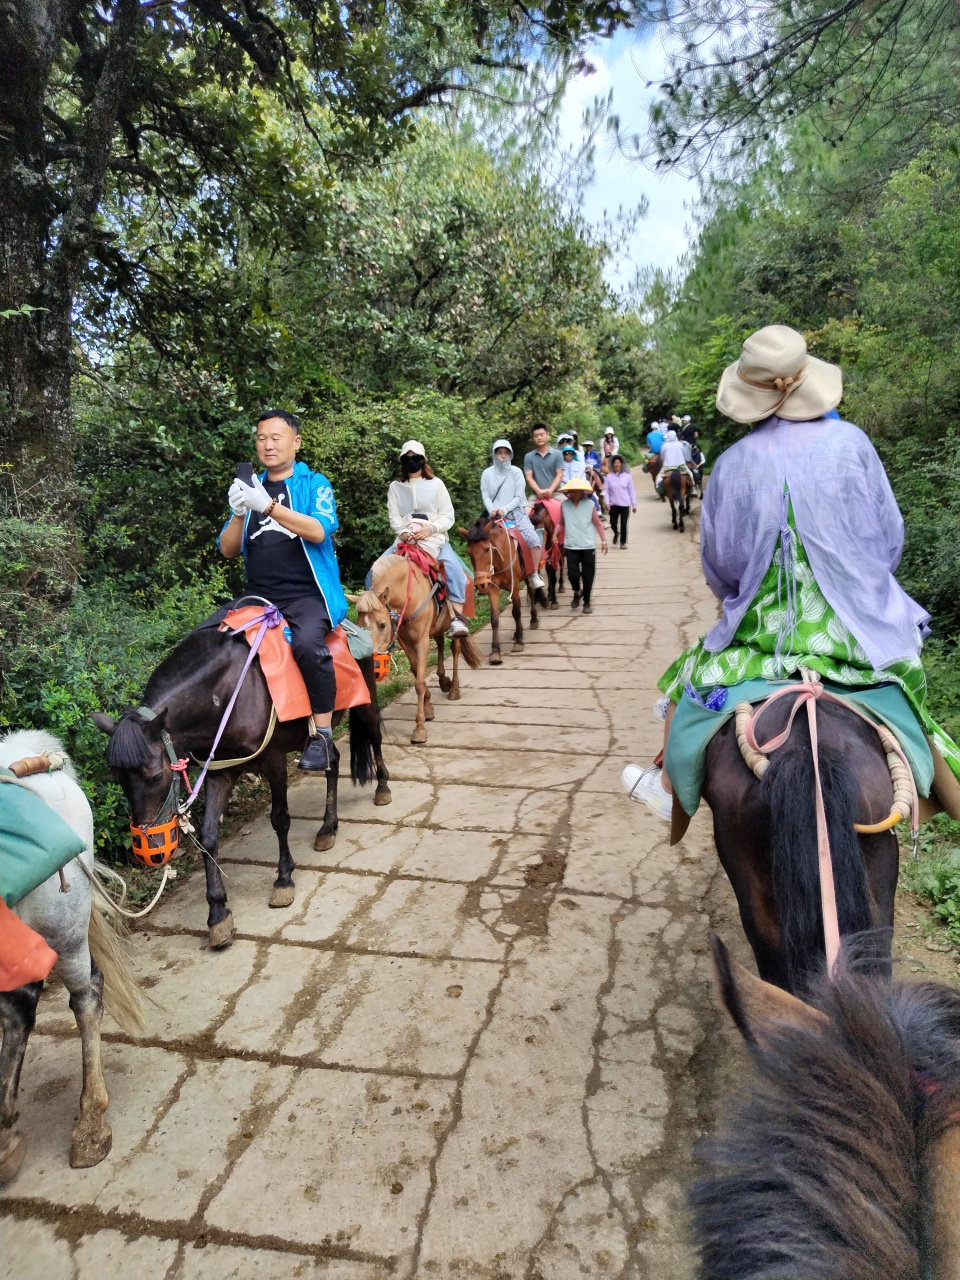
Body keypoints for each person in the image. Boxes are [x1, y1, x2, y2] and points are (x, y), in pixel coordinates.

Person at [622, 323, 960, 820]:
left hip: (764, 640)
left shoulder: (732, 465)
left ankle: (668, 787)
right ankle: (944, 789)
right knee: (909, 694)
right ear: (806, 382)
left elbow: (721, 570)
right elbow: (889, 541)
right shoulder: (852, 443)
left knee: (685, 685)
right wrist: (860, 584)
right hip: (858, 636)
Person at [220, 409, 349, 771]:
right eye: (261, 437)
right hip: (258, 595)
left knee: (309, 645)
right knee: (213, 639)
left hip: (308, 595)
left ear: (296, 442)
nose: (268, 444)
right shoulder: (250, 489)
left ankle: (322, 734)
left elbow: (320, 530)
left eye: (276, 437)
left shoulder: (315, 484)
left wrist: (270, 506)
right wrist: (240, 512)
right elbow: (228, 549)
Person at [374, 441, 471, 637]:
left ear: (423, 460)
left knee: (453, 569)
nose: (412, 462)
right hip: (405, 540)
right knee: (375, 571)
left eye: (416, 458)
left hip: (434, 539)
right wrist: (401, 531)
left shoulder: (436, 484)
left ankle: (457, 619)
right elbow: (393, 515)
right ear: (402, 461)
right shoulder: (395, 487)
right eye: (408, 459)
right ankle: (377, 618)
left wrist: (431, 528)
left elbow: (448, 514)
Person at [481, 440, 546, 589]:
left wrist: (504, 509)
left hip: (516, 513)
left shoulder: (516, 472)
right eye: (499, 452)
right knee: (478, 542)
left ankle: (533, 573)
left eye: (506, 453)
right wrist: (492, 510)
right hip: (494, 514)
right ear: (494, 454)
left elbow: (518, 496)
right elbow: (485, 496)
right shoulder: (487, 474)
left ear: (510, 454)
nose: (503, 456)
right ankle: (484, 575)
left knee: (533, 539)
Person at [558, 476, 608, 613]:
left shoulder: (589, 504)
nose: (576, 493)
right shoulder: (564, 505)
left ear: (582, 492)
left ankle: (586, 602)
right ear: (569, 492)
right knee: (572, 574)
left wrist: (603, 541)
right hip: (571, 545)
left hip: (587, 545)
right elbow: (561, 523)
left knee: (588, 575)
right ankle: (577, 592)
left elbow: (598, 523)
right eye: (573, 491)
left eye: (578, 491)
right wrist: (554, 534)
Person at [523, 424, 564, 501]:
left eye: (541, 435)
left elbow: (559, 475)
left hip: (556, 493)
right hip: (536, 494)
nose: (539, 438)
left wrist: (550, 490)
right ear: (533, 438)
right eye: (536, 436)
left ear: (547, 435)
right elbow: (529, 478)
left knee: (569, 511)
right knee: (526, 512)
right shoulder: (529, 456)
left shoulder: (558, 454)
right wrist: (538, 491)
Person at [603, 456, 637, 548]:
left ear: (621, 464)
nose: (617, 465)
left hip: (625, 504)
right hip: (613, 504)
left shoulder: (628, 477)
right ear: (612, 465)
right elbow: (607, 491)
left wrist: (634, 504)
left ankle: (623, 542)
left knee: (624, 523)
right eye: (615, 463)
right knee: (613, 523)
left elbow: (631, 491)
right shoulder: (609, 477)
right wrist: (607, 503)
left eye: (618, 463)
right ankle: (616, 533)